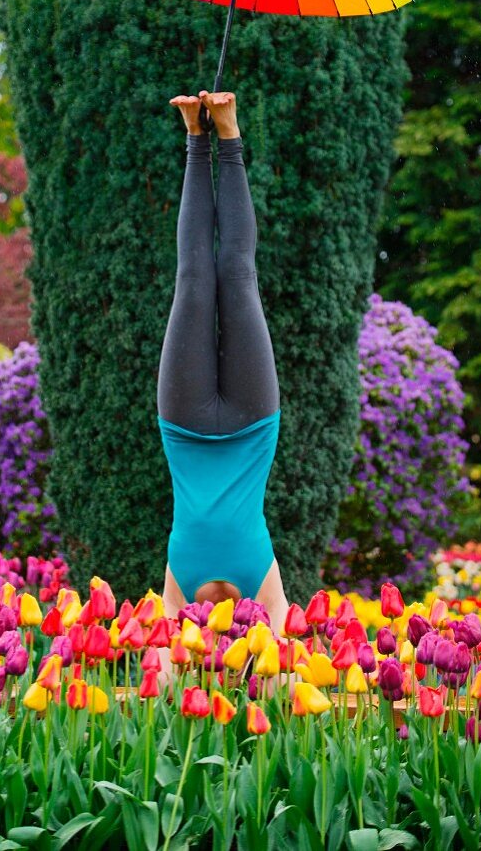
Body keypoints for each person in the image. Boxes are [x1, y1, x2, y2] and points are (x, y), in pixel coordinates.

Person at [158, 89, 289, 640]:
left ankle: (195, 135)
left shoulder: (177, 587)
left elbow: (159, 669)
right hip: (254, 425)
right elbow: (286, 660)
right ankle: (227, 134)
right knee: (236, 276)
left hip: (184, 428)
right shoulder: (263, 585)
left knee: (193, 280)